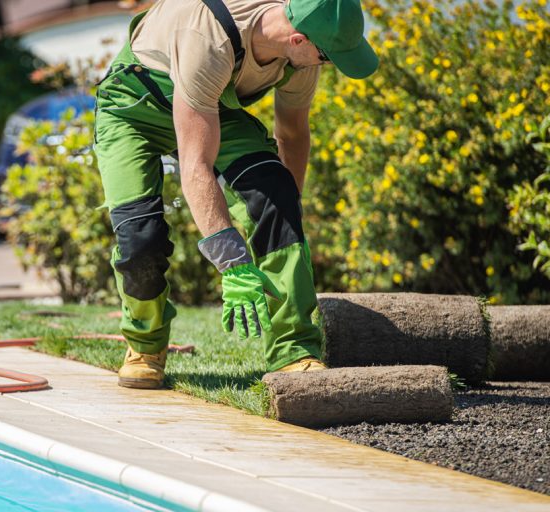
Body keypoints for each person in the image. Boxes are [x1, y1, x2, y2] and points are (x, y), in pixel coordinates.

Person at [94, 0, 378, 389]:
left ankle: (293, 350)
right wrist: (232, 262)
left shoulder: (299, 59)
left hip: (212, 106)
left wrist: (282, 215)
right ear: (298, 39)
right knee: (140, 237)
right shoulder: (207, 39)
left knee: (275, 194)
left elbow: (292, 134)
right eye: (326, 57)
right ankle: (145, 345)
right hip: (132, 108)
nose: (325, 65)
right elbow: (195, 164)